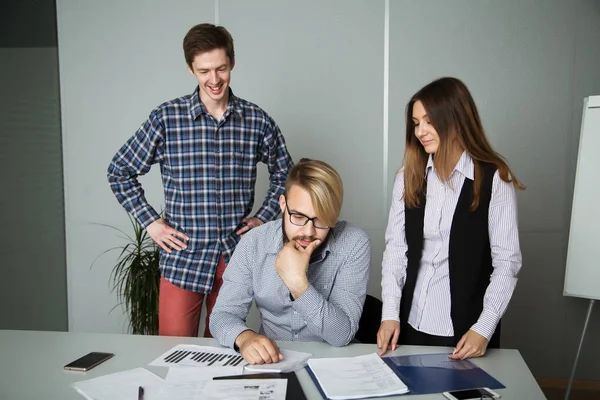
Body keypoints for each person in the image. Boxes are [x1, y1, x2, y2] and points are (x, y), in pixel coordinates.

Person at [107, 23, 293, 338]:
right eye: (204, 71)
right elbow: (120, 170)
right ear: (190, 69)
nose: (214, 79)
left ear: (232, 62)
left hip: (234, 257)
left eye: (221, 68)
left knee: (225, 351)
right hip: (183, 258)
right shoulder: (166, 119)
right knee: (172, 354)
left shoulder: (257, 121)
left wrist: (264, 217)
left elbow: (286, 173)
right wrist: (152, 223)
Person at [377, 77, 524, 360]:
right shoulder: (407, 178)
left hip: (468, 329)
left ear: (455, 119)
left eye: (429, 121)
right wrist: (390, 314)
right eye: (416, 123)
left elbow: (507, 262)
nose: (420, 131)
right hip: (410, 321)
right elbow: (396, 251)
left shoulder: (494, 178)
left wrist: (484, 327)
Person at [210, 159, 371, 364]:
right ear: (283, 204)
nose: (308, 231)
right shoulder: (254, 242)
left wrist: (298, 284)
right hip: (273, 361)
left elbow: (341, 335)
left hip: (332, 362)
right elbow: (222, 315)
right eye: (298, 216)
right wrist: (244, 338)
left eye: (321, 219)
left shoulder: (354, 243)